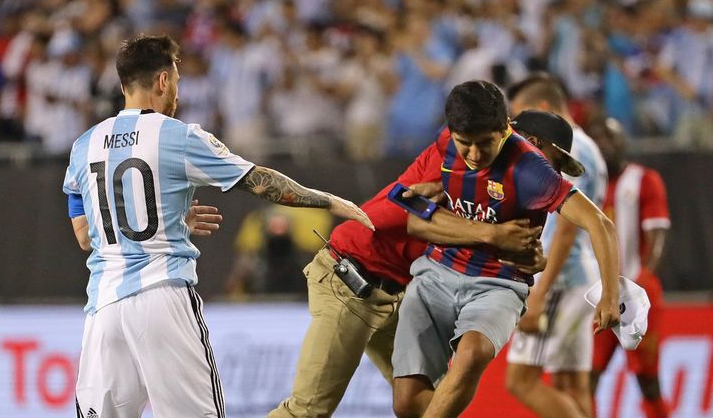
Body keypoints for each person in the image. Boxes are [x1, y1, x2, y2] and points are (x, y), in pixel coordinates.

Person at [62, 34, 373, 417]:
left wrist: (167, 219)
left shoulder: (84, 146)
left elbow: (84, 236)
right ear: (162, 81)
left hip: (103, 310)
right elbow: (260, 181)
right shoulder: (177, 136)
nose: (176, 93)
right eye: (176, 81)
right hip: (162, 299)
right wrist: (331, 201)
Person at [268, 126, 546, 418]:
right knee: (307, 411)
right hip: (351, 280)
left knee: (430, 401)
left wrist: (531, 257)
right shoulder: (457, 163)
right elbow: (394, 218)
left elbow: (497, 246)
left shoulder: (497, 189)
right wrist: (490, 235)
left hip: (397, 293)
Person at [391, 80, 621, 418]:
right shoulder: (447, 143)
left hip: (498, 283)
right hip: (437, 271)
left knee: (475, 356)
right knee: (407, 405)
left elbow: (598, 223)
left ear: (505, 130)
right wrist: (491, 234)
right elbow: (414, 221)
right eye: (464, 143)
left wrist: (610, 296)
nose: (473, 153)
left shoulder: (533, 171)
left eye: (484, 143)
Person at [504, 75, 608, 418]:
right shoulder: (589, 147)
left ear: (544, 109)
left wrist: (540, 292)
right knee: (571, 384)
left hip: (559, 280)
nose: (520, 134)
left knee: (520, 380)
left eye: (524, 117)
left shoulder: (568, 149)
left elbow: (566, 229)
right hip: (580, 277)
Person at [588, 115, 671, 418]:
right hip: (596, 296)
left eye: (609, 138)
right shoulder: (586, 187)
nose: (603, 145)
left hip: (635, 294)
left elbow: (657, 235)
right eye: (596, 140)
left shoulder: (643, 179)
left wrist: (644, 280)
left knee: (647, 380)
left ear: (622, 142)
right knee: (586, 377)